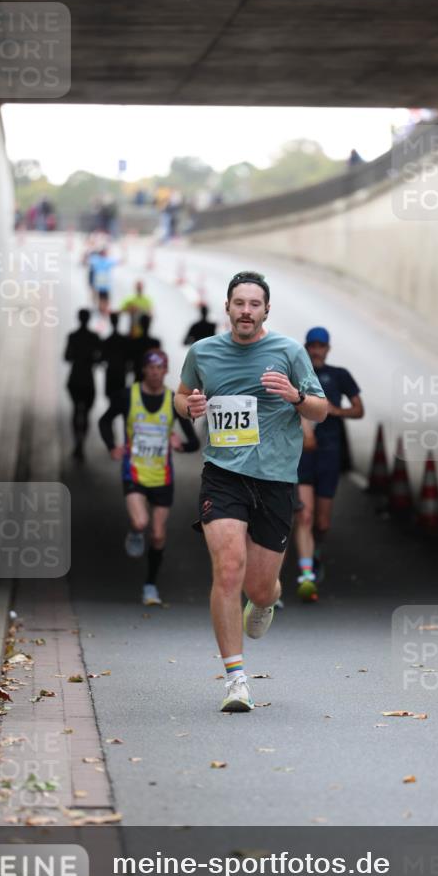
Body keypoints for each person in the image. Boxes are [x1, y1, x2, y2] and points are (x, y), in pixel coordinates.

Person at [175, 270, 327, 712]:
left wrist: (295, 396)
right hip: (222, 474)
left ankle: (268, 599)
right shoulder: (203, 352)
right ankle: (235, 680)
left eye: (254, 304)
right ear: (227, 307)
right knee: (228, 569)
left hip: (275, 478)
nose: (246, 311)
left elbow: (321, 410)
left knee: (259, 588)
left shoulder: (288, 352)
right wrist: (190, 407)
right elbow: (180, 396)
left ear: (265, 310)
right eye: (238, 303)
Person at [98, 349, 199, 606]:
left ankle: (150, 585)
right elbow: (104, 420)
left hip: (162, 476)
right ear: (144, 369)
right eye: (151, 368)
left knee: (157, 535)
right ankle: (134, 532)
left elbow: (194, 442)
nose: (155, 372)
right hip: (134, 472)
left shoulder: (173, 401)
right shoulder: (128, 396)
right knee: (141, 523)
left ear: (166, 371)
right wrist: (112, 446)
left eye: (160, 368)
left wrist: (180, 445)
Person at [294, 327, 364, 601]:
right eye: (311, 345)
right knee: (305, 516)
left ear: (328, 348)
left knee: (321, 523)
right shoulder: (297, 374)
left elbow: (359, 410)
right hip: (303, 453)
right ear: (306, 347)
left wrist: (336, 411)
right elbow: (290, 405)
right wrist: (306, 432)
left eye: (320, 346)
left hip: (330, 453)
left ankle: (316, 553)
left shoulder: (339, 375)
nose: (316, 350)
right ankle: (306, 574)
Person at [64, 309, 102, 460]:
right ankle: (81, 444)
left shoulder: (72, 336)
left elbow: (66, 356)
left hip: (74, 377)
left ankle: (76, 442)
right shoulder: (94, 337)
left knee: (75, 410)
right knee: (86, 412)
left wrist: (77, 357)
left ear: (78, 319)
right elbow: (100, 358)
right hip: (88, 379)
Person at [101, 312, 131, 402]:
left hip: (111, 372)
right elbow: (128, 358)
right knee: (121, 401)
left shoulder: (107, 341)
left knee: (113, 402)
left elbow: (102, 358)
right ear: (118, 321)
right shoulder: (124, 340)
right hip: (121, 373)